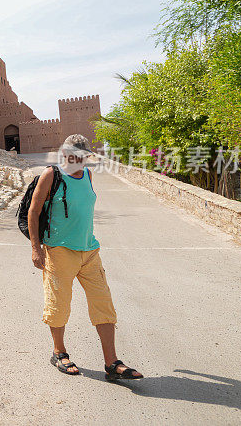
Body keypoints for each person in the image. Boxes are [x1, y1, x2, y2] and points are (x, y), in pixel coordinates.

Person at [28, 134, 143, 381]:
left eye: (83, 156)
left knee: (103, 302)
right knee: (59, 303)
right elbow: (34, 211)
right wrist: (36, 249)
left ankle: (112, 363)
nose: (79, 160)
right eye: (75, 156)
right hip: (59, 250)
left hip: (89, 250)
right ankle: (59, 352)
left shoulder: (88, 175)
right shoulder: (52, 175)